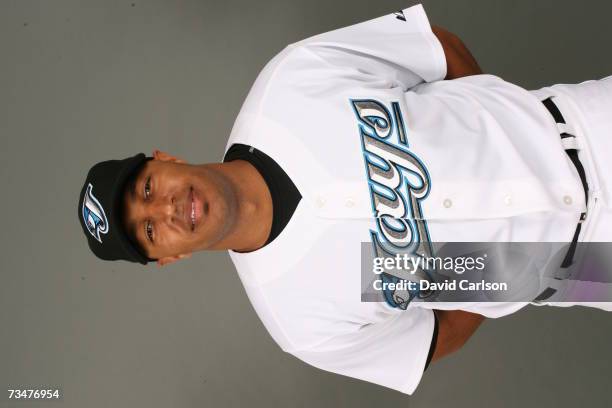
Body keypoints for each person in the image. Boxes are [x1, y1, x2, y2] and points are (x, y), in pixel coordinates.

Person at [77, 4, 611, 394]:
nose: (166, 210)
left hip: (586, 129)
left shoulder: (291, 82)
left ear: (164, 159)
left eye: (147, 188)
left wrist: (504, 125)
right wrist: (517, 271)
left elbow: (433, 47)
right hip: (591, 267)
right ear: (170, 257)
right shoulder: (298, 319)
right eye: (150, 230)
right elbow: (433, 337)